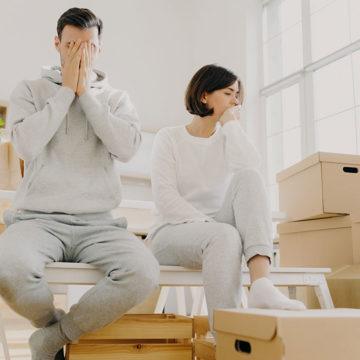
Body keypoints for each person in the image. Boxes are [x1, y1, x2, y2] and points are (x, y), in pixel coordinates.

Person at [0, 7, 159, 360]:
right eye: (71, 45)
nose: (80, 53)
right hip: (37, 220)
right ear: (57, 44)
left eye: (88, 46)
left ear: (99, 48)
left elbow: (127, 148)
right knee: (6, 268)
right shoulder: (29, 89)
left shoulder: (117, 98)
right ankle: (50, 326)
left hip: (99, 224)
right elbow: (25, 146)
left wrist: (86, 95)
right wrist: (65, 93)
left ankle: (54, 338)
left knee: (144, 273)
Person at [148, 64, 305, 336]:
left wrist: (230, 125)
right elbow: (165, 199)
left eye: (238, 95)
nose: (236, 101)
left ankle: (261, 285)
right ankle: (226, 338)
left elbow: (251, 167)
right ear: (204, 96)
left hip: (217, 230)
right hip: (170, 233)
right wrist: (210, 225)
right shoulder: (169, 138)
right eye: (229, 93)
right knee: (224, 235)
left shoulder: (228, 138)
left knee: (250, 179)